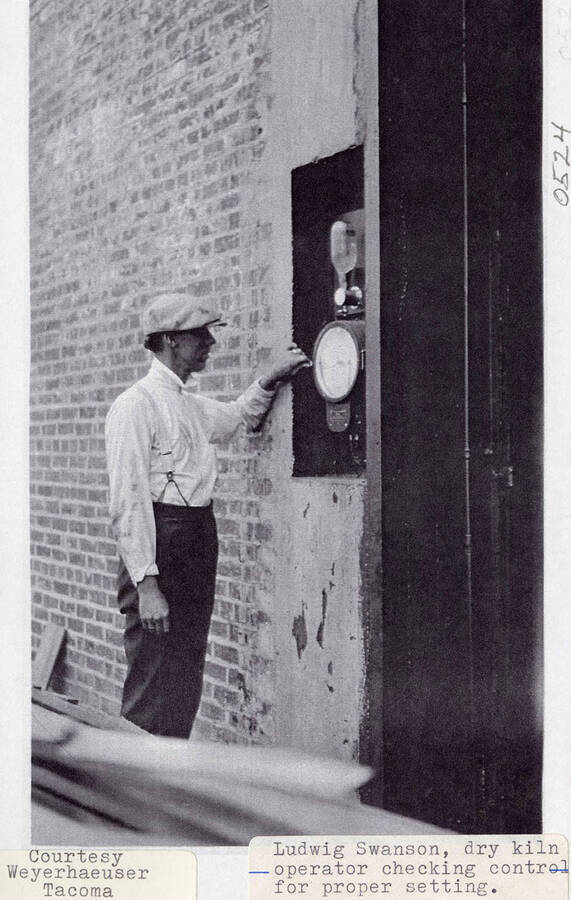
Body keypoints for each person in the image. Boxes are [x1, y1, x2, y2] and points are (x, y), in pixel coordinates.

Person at [105, 291, 310, 737]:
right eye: (200, 335)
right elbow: (128, 503)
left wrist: (269, 378)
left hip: (196, 541)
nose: (210, 344)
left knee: (184, 677)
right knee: (152, 683)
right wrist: (148, 585)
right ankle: (139, 794)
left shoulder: (188, 404)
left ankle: (170, 782)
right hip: (160, 550)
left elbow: (239, 417)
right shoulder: (134, 406)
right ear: (170, 341)